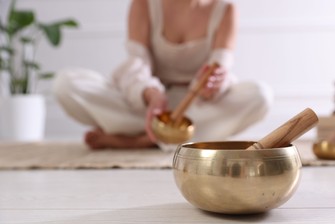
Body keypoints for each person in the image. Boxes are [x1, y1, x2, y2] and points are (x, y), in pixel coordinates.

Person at [53, 0, 273, 150]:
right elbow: (136, 63)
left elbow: (220, 67)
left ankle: (140, 140)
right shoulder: (146, 3)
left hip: (196, 108)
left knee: (260, 96)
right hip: (150, 106)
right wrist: (151, 95)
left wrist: (213, 86)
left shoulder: (225, 8)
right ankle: (166, 138)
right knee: (66, 84)